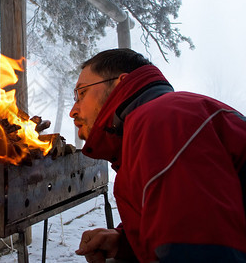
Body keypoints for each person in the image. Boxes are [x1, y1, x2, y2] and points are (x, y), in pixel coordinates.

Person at [69, 48, 246, 262]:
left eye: (82, 93)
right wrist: (126, 244)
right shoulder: (162, 119)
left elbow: (200, 251)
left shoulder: (162, 121)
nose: (73, 110)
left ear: (120, 83)